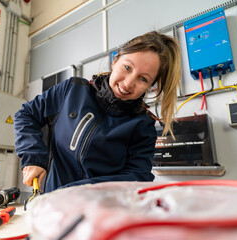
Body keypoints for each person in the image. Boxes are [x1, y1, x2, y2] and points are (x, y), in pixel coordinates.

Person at [14, 31, 182, 193]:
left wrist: (76, 192)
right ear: (115, 61)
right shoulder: (72, 90)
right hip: (51, 204)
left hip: (99, 213)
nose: (128, 83)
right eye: (127, 67)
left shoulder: (142, 126)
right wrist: (33, 157)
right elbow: (26, 114)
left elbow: (137, 177)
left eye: (143, 79)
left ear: (151, 86)